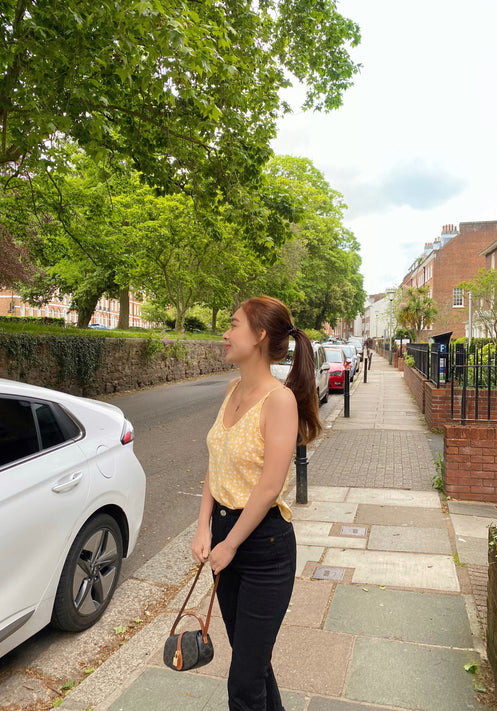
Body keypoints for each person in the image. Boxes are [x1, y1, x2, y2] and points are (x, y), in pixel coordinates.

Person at [192, 296, 321, 711]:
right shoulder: (232, 390)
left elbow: (269, 487)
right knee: (255, 665)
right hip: (226, 537)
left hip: (263, 547)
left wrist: (230, 545)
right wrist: (204, 525)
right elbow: (217, 460)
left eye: (233, 325)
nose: (225, 334)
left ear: (260, 335)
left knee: (243, 683)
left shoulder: (279, 400)